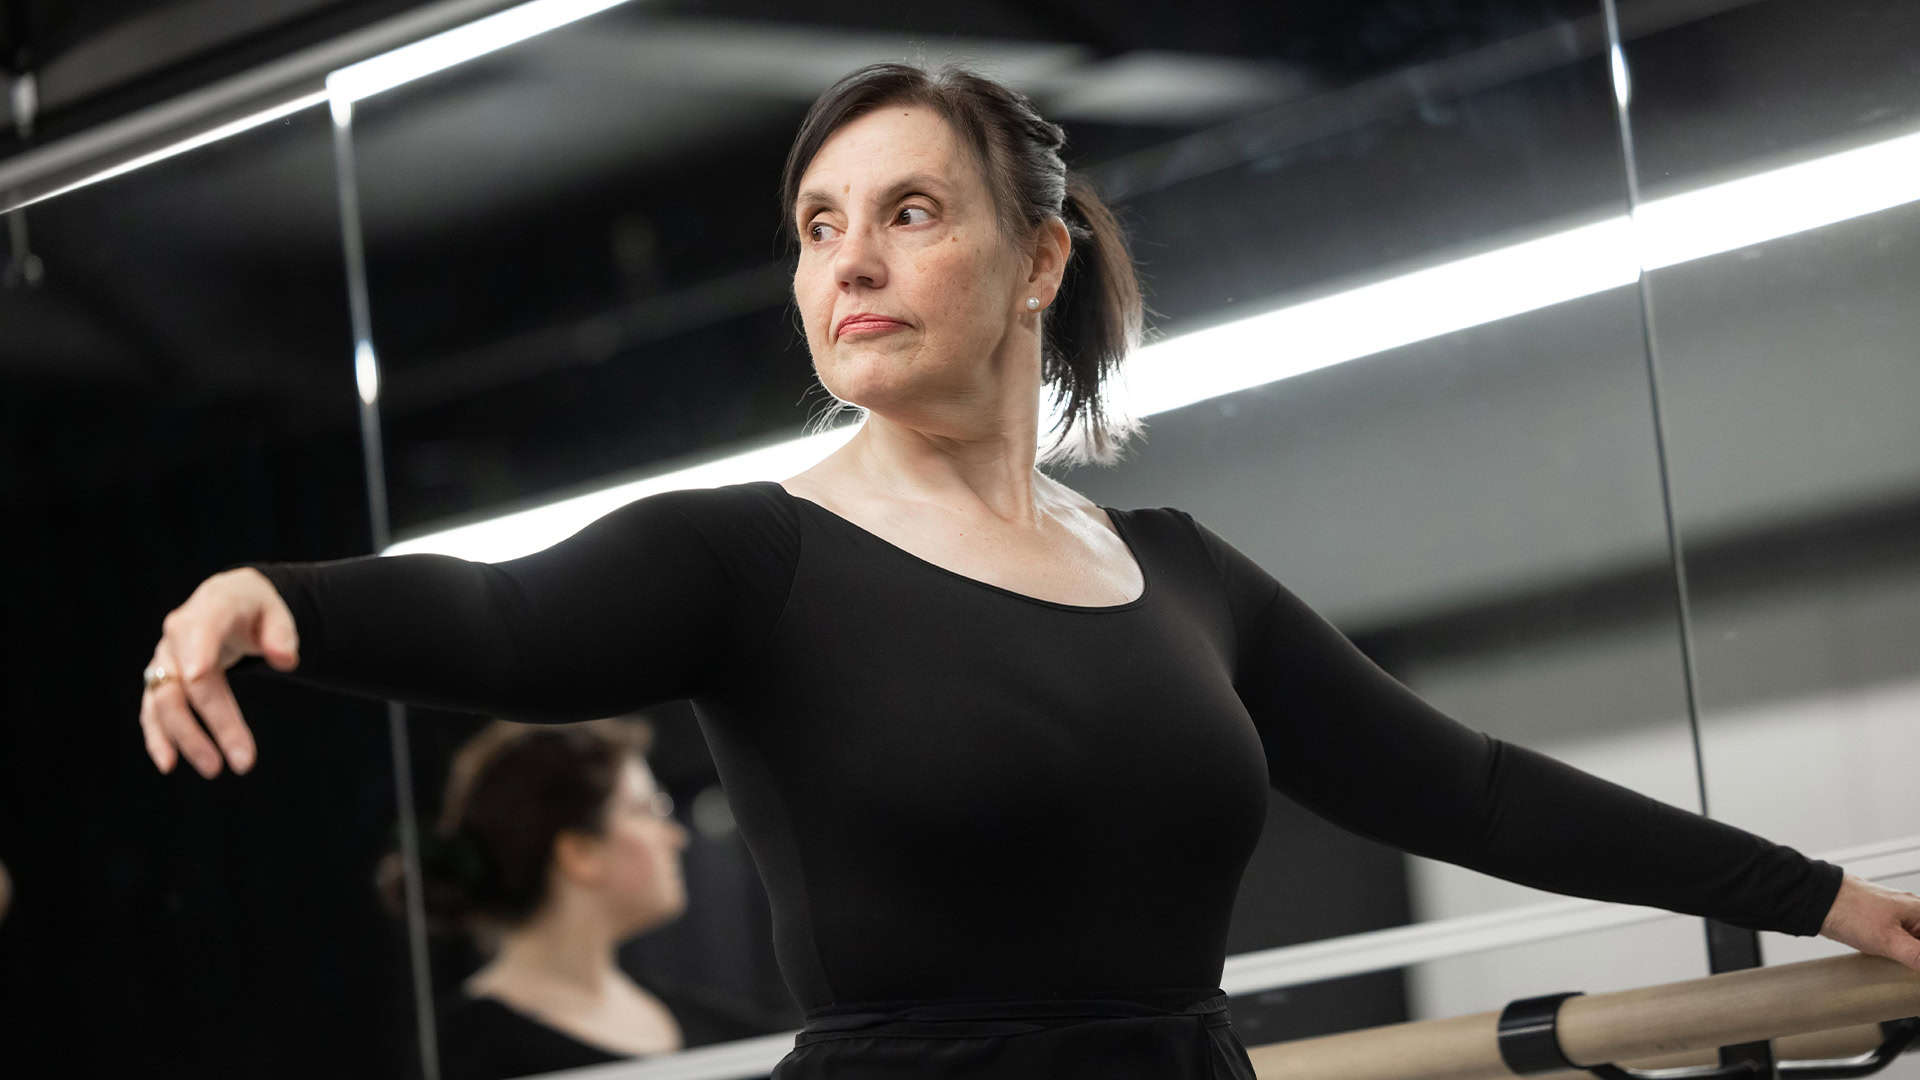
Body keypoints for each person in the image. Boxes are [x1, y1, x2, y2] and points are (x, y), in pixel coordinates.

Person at [135, 62, 1920, 1079]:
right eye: (820, 228)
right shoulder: (748, 557)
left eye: (910, 212)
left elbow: (1456, 783)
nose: (850, 260)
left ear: (1038, 258)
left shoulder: (1181, 574)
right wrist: (286, 599)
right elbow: (517, 622)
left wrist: (1823, 895)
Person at [379, 719, 693, 1079]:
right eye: (647, 809)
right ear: (580, 852)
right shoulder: (468, 1055)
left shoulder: (704, 1017)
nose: (675, 837)